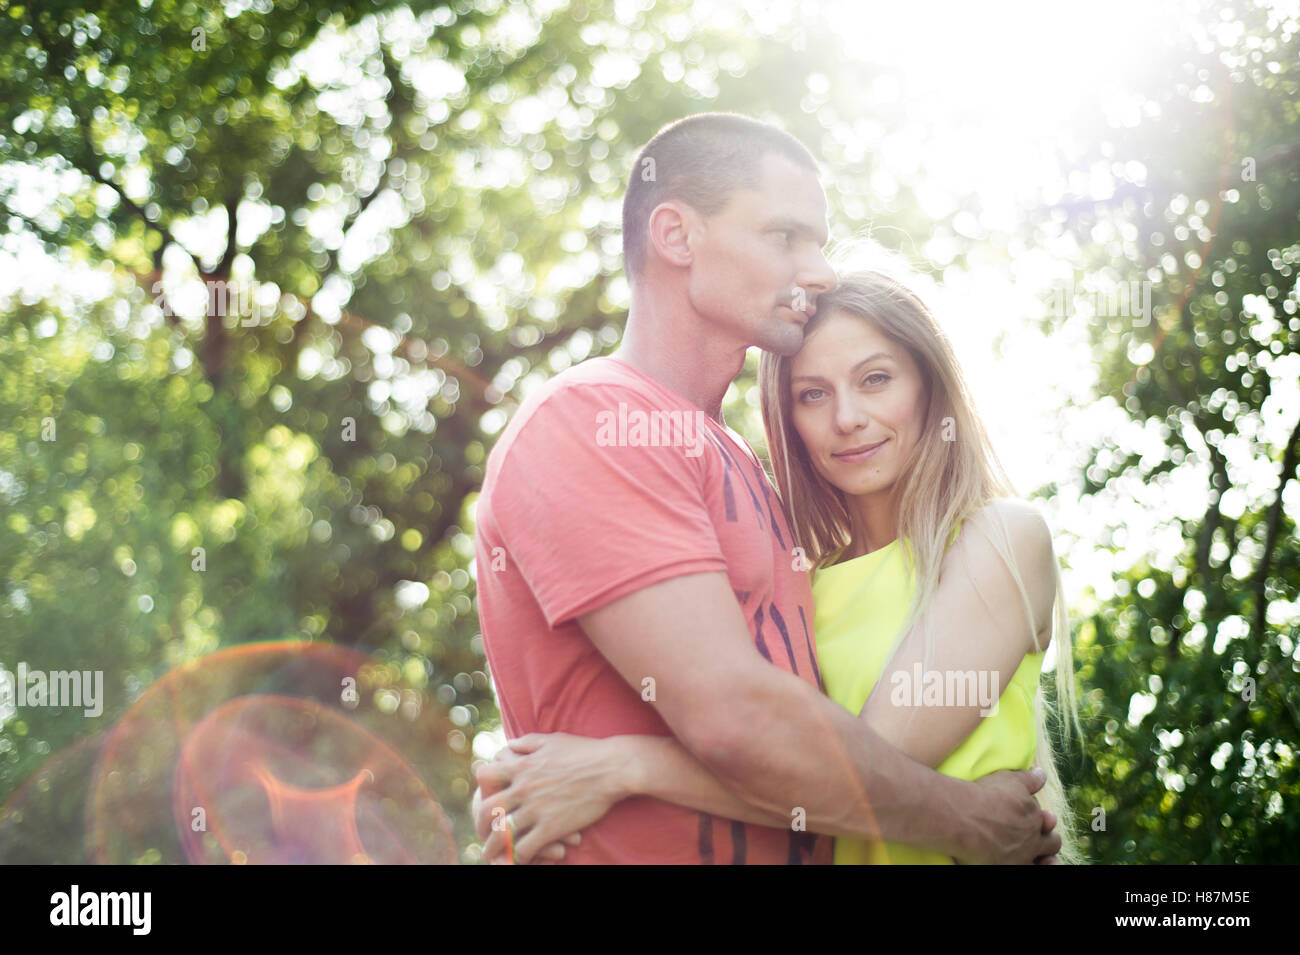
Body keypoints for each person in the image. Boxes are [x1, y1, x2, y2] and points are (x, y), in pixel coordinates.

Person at [470, 112, 1062, 864]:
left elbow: (817, 740)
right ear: (677, 236)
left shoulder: (742, 468)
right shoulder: (597, 416)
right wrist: (965, 817)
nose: (816, 271)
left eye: (875, 379)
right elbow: (735, 719)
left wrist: (621, 766)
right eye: (786, 237)